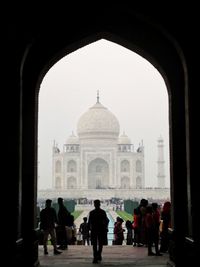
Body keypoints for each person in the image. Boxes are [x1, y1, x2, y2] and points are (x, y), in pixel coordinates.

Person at [88, 199, 109, 263]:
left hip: (94, 230)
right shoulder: (103, 212)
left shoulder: (92, 212)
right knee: (100, 244)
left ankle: (95, 257)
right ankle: (99, 255)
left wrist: (89, 229)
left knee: (94, 244)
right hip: (101, 230)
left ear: (94, 205)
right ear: (99, 204)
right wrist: (105, 227)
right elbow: (107, 221)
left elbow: (89, 222)